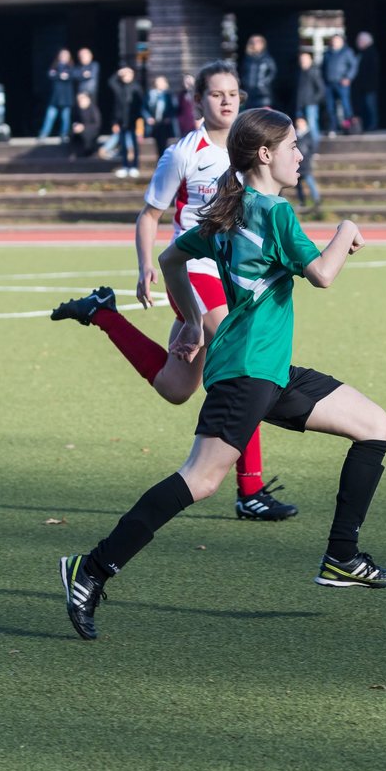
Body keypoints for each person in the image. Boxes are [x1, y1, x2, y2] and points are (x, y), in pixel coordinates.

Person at [58, 107, 386, 640]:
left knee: (375, 426)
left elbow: (173, 260)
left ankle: (342, 557)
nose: (300, 155)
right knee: (199, 479)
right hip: (246, 372)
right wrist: (346, 231)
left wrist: (194, 318)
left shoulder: (229, 208)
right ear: (265, 154)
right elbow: (324, 275)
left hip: (267, 370)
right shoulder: (273, 213)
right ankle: (93, 569)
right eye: (293, 146)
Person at [51, 61, 298, 523]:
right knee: (242, 356)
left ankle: (103, 314)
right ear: (197, 100)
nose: (227, 101)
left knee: (176, 386)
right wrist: (146, 265)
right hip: (196, 267)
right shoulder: (184, 153)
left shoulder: (251, 151)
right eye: (216, 94)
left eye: (233, 93)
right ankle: (250, 489)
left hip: (234, 273)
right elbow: (150, 215)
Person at [108, 65, 144, 178]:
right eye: (125, 75)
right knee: (122, 145)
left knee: (134, 144)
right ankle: (125, 166)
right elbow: (111, 82)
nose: (126, 76)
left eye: (128, 74)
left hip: (133, 120)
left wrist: (139, 118)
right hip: (121, 121)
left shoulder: (136, 87)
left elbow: (140, 104)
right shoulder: (119, 87)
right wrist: (119, 72)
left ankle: (134, 166)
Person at [321, 34, 357, 136]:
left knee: (346, 106)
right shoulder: (327, 53)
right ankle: (333, 128)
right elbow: (323, 68)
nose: (335, 42)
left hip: (341, 83)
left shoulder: (347, 52)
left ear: (342, 41)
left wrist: (348, 78)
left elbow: (353, 66)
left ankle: (349, 128)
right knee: (330, 107)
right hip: (329, 83)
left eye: (337, 40)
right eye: (333, 40)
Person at [39, 48, 75, 142]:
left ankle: (64, 135)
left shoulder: (71, 67)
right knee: (50, 116)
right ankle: (44, 134)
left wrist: (59, 75)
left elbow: (72, 75)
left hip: (66, 98)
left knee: (65, 118)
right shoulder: (54, 67)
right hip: (55, 98)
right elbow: (51, 75)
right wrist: (60, 75)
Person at [295, 52, 325, 146]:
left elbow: (321, 89)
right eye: (301, 60)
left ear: (310, 60)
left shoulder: (314, 71)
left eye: (305, 59)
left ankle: (314, 148)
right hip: (300, 105)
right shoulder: (300, 73)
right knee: (301, 128)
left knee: (312, 127)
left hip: (310, 104)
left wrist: (313, 101)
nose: (303, 62)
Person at [352, 32, 379, 133]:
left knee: (370, 107)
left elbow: (372, 71)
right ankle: (367, 125)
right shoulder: (361, 53)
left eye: (360, 41)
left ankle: (373, 125)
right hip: (362, 86)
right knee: (365, 106)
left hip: (369, 86)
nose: (358, 43)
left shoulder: (371, 53)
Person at [240, 35, 277, 109]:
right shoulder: (247, 59)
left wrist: (263, 83)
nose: (254, 44)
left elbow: (273, 72)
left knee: (263, 118)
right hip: (249, 93)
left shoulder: (267, 58)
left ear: (262, 44)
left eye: (257, 42)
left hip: (263, 94)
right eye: (252, 42)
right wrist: (245, 81)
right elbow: (243, 72)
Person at [146, 74, 177, 158]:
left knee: (165, 144)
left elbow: (174, 108)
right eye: (158, 82)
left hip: (165, 124)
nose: (160, 84)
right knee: (157, 144)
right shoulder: (151, 94)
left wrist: (169, 117)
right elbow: (144, 107)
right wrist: (148, 117)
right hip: (154, 124)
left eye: (162, 82)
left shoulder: (169, 95)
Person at [294, 115, 320, 209]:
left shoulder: (308, 134)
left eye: (301, 122)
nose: (299, 124)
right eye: (298, 122)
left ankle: (316, 200)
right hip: (297, 164)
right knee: (298, 185)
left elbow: (312, 147)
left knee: (310, 181)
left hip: (306, 162)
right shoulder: (296, 134)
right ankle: (302, 201)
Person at [69, 91, 101, 158]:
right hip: (80, 128)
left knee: (86, 135)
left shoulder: (93, 109)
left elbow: (97, 124)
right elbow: (74, 120)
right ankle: (74, 153)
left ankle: (88, 152)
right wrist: (76, 126)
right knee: (72, 133)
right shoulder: (77, 109)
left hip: (91, 129)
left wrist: (84, 127)